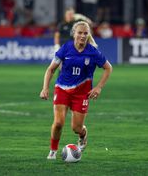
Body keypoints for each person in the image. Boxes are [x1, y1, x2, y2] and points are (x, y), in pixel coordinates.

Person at [40, 21, 112, 160]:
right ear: (74, 34)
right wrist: (45, 88)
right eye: (80, 33)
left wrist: (98, 87)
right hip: (62, 89)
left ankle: (83, 135)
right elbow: (51, 69)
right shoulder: (65, 48)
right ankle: (53, 151)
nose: (83, 36)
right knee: (58, 123)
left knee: (76, 128)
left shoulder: (93, 52)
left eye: (86, 33)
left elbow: (108, 68)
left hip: (81, 94)